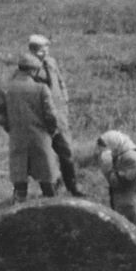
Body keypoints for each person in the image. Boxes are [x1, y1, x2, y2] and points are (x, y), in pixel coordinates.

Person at [0, 53, 60, 202]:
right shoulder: (41, 89)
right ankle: (52, 204)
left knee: (19, 174)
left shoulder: (6, 89)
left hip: (17, 137)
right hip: (40, 137)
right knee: (46, 174)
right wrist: (52, 131)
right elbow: (51, 116)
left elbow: (1, 115)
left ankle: (18, 203)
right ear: (33, 71)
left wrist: (12, 130)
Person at [28, 34, 83, 196]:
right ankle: (52, 187)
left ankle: (73, 186)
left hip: (59, 116)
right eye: (40, 51)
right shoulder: (28, 68)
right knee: (46, 156)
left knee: (67, 152)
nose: (44, 54)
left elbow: (60, 82)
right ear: (31, 51)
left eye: (46, 49)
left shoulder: (51, 63)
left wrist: (65, 100)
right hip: (42, 119)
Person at [97, 130, 136, 245]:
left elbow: (118, 182)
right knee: (128, 237)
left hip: (132, 205)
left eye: (105, 148)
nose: (103, 152)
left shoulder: (132, 159)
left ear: (113, 144)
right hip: (125, 203)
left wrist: (107, 169)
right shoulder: (122, 154)